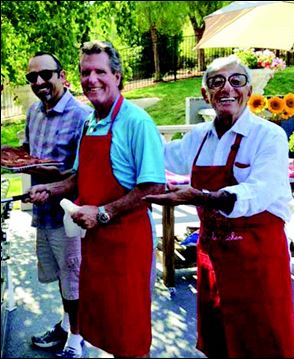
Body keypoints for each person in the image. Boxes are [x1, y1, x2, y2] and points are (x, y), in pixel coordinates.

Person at [144, 55, 294, 358]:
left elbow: (260, 191)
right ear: (206, 94)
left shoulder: (270, 136)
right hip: (213, 257)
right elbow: (162, 156)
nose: (227, 88)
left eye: (236, 80)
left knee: (263, 342)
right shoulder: (200, 137)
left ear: (249, 89)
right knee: (220, 342)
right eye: (216, 82)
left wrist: (199, 197)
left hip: (258, 262)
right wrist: (132, 125)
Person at [27, 41, 166, 358]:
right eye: (85, 72)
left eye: (100, 71)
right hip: (96, 245)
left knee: (130, 336)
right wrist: (51, 190)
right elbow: (78, 177)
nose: (91, 79)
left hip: (128, 246)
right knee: (107, 328)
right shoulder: (91, 122)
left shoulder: (137, 122)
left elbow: (153, 187)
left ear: (117, 76)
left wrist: (103, 212)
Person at [2, 52, 93, 358]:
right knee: (61, 278)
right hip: (42, 210)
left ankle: (77, 341)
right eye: (32, 78)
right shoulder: (34, 113)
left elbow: (86, 173)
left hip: (69, 215)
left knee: (73, 279)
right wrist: (13, 158)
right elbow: (27, 154)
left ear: (61, 75)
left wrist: (53, 179)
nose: (39, 82)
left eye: (45, 75)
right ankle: (67, 325)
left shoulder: (81, 116)